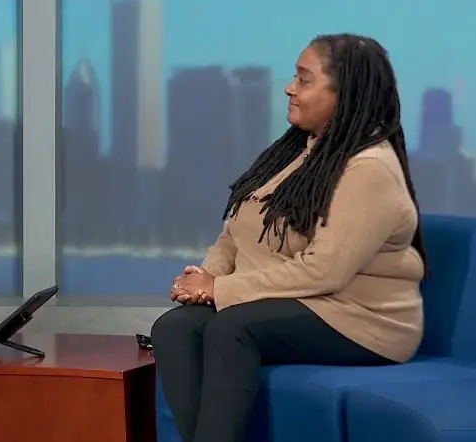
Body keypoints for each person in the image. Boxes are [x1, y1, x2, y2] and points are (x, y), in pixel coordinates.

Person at [150, 33, 427, 442]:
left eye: (304, 79)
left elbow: (324, 271)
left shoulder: (369, 167)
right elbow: (236, 230)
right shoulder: (297, 151)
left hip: (359, 316)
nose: (289, 88)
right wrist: (206, 278)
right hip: (297, 301)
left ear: (345, 93)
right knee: (174, 329)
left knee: (232, 329)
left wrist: (218, 289)